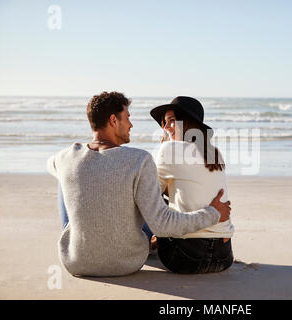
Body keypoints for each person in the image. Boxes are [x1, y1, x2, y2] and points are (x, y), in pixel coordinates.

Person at [46, 91, 231, 277]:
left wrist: (83, 166)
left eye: (171, 121)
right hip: (129, 262)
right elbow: (159, 214)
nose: (131, 124)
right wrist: (213, 213)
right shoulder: (213, 155)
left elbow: (50, 164)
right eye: (127, 118)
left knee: (65, 176)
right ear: (113, 120)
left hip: (77, 262)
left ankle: (83, 237)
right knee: (147, 192)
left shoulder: (65, 157)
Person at [149, 96, 234, 274]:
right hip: (223, 256)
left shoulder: (169, 150)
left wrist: (165, 146)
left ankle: (147, 241)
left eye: (171, 121)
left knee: (151, 202)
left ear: (187, 122)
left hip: (184, 258)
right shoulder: (215, 153)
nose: (165, 128)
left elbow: (150, 193)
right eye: (165, 123)